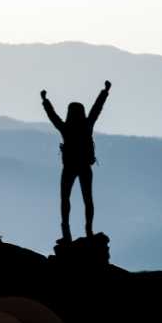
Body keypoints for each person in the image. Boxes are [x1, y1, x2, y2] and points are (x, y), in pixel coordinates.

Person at [41, 81, 111, 242]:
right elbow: (96, 108)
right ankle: (89, 231)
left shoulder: (66, 128)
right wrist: (105, 91)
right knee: (88, 199)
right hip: (85, 167)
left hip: (69, 168)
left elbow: (52, 116)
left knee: (65, 199)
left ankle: (66, 233)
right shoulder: (87, 125)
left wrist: (45, 101)